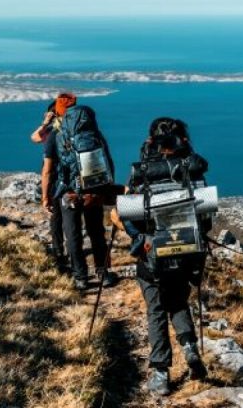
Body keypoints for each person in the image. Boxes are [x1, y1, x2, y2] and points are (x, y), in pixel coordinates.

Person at [122, 117, 211, 396]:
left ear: (152, 140)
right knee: (178, 300)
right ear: (182, 139)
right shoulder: (190, 168)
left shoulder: (144, 170)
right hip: (186, 251)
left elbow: (129, 215)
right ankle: (190, 348)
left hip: (153, 253)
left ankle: (160, 373)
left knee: (157, 309)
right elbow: (205, 216)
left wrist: (139, 239)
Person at [52, 93, 119, 292]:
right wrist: (105, 189)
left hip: (70, 193)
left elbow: (59, 167)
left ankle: (80, 277)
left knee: (72, 235)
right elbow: (108, 163)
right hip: (94, 193)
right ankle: (103, 273)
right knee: (97, 232)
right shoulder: (96, 136)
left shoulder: (59, 137)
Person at [31, 102, 68, 271]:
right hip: (72, 178)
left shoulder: (53, 133)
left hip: (55, 179)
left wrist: (46, 123)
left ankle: (59, 253)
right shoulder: (71, 130)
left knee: (56, 218)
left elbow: (35, 137)